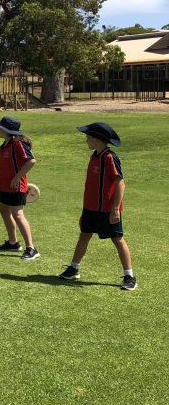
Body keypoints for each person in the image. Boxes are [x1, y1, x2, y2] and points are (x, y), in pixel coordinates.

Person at [58, 123, 137, 291]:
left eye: (88, 137)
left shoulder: (110, 157)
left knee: (117, 239)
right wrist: (85, 209)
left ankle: (130, 276)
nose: (86, 139)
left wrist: (115, 208)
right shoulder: (94, 156)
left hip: (108, 210)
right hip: (90, 209)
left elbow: (120, 183)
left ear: (97, 139)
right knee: (83, 237)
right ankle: (73, 268)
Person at [0, 116, 38, 260]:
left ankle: (31, 248)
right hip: (4, 185)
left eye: (0, 127)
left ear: (6, 130)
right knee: (4, 210)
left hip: (15, 186)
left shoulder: (18, 144)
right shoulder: (5, 144)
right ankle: (13, 242)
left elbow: (31, 161)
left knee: (18, 215)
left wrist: (18, 177)